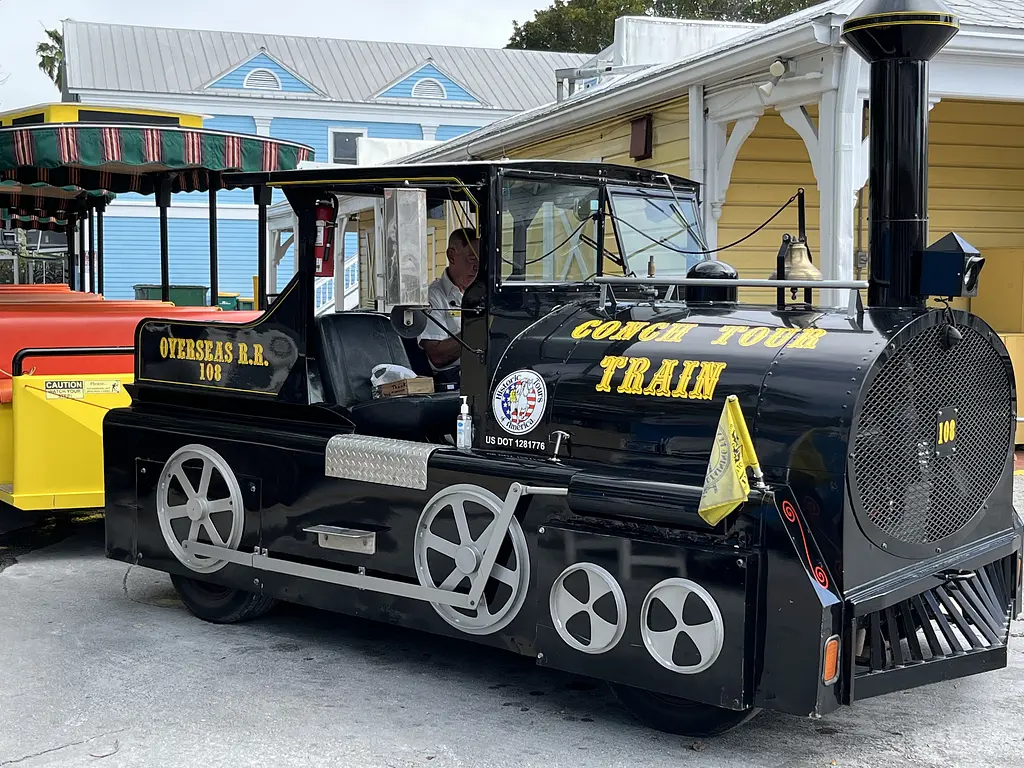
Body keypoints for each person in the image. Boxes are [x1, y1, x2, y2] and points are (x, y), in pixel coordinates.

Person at [417, 227, 479, 386]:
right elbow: (437, 357)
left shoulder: (483, 294)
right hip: (450, 378)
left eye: (481, 260)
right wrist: (476, 329)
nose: (477, 266)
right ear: (452, 255)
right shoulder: (433, 296)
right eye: (471, 258)